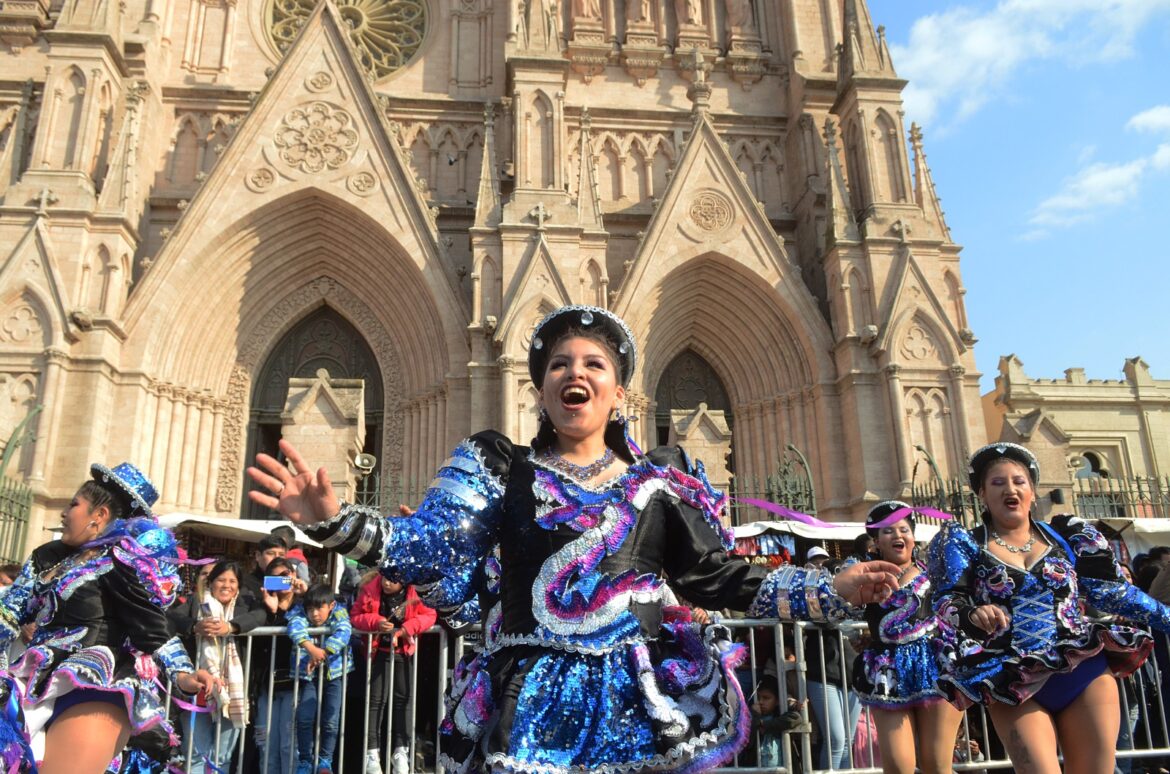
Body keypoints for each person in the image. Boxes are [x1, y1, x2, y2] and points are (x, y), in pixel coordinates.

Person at [248, 304, 902, 772]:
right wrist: (336, 522)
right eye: (558, 363)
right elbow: (435, 546)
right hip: (532, 694)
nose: (573, 372)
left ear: (619, 391)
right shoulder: (499, 466)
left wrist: (831, 587)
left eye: (593, 363)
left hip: (637, 696)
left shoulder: (662, 480)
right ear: (540, 388)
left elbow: (719, 575)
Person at [929, 442, 1170, 774]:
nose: (1010, 489)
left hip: (1083, 669)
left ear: (1032, 490)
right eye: (997, 483)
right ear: (982, 493)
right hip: (1013, 678)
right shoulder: (965, 545)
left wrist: (1168, 618)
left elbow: (1111, 593)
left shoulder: (1067, 537)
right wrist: (971, 614)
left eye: (1019, 481)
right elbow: (944, 601)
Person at [0, 462, 214, 773]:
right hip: (32, 682)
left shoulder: (118, 561)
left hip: (96, 685)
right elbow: (8, 613)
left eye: (74, 504)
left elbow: (151, 626)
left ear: (99, 516)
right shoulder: (48, 557)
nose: (64, 512)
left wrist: (183, 675)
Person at [852, 501, 961, 774]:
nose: (898, 535)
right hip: (887, 672)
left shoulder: (936, 573)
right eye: (888, 531)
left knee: (937, 765)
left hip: (935, 666)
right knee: (899, 767)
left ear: (913, 538)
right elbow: (841, 605)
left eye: (904, 529)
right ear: (876, 542)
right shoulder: (865, 577)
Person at [350, 572, 437, 774]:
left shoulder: (415, 591)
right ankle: (371, 753)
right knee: (375, 701)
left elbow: (429, 615)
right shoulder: (370, 588)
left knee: (403, 701)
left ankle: (401, 751)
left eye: (393, 580)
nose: (387, 583)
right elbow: (356, 616)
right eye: (385, 578)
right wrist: (376, 622)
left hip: (404, 653)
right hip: (377, 653)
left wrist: (408, 628)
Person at [186, 560, 250, 774]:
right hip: (198, 691)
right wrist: (195, 627)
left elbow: (262, 616)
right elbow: (170, 619)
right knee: (195, 756)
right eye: (221, 580)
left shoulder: (245, 606)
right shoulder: (196, 603)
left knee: (222, 757)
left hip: (230, 695)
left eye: (232, 581)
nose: (226, 585)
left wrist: (230, 627)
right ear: (211, 583)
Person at [251, 556, 307, 774]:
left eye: (285, 576)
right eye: (274, 578)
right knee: (266, 746)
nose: (281, 581)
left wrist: (306, 592)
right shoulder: (261, 606)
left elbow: (313, 620)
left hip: (295, 685)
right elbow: (260, 644)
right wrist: (272, 611)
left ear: (294, 575)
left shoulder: (304, 605)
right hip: (267, 686)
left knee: (289, 746)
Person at [289, 584, 353, 774]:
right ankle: (305, 761)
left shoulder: (340, 613)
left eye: (319, 608)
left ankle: (325, 760)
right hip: (309, 677)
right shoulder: (299, 613)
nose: (314, 614)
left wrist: (323, 652)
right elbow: (293, 625)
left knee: (331, 720)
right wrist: (310, 647)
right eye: (310, 609)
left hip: (335, 675)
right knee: (304, 718)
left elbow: (344, 631)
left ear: (331, 605)